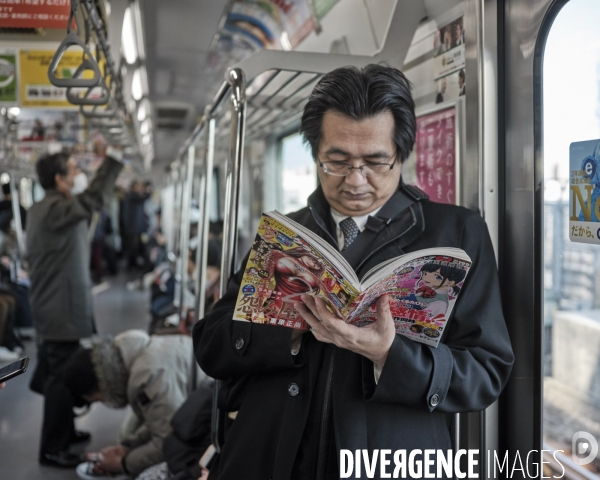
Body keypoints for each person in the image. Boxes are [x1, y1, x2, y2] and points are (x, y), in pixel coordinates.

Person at [193, 64, 514, 480]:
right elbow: (211, 344)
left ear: (402, 154)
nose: (356, 181)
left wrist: (388, 354)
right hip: (269, 453)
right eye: (337, 161)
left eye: (376, 162)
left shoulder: (455, 234)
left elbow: (485, 372)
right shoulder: (287, 234)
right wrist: (290, 327)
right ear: (316, 154)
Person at [27, 147, 122, 468]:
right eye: (73, 168)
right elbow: (92, 200)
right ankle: (52, 447)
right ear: (60, 180)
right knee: (58, 379)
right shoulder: (54, 209)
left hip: (59, 304)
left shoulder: (52, 207)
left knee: (63, 373)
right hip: (59, 308)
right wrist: (113, 161)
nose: (79, 172)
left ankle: (65, 432)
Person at [62, 329, 208, 478]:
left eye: (99, 399)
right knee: (128, 434)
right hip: (205, 402)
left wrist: (123, 463)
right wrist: (128, 447)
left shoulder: (148, 377)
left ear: (101, 385)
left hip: (214, 419)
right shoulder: (131, 353)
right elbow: (162, 421)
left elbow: (168, 442)